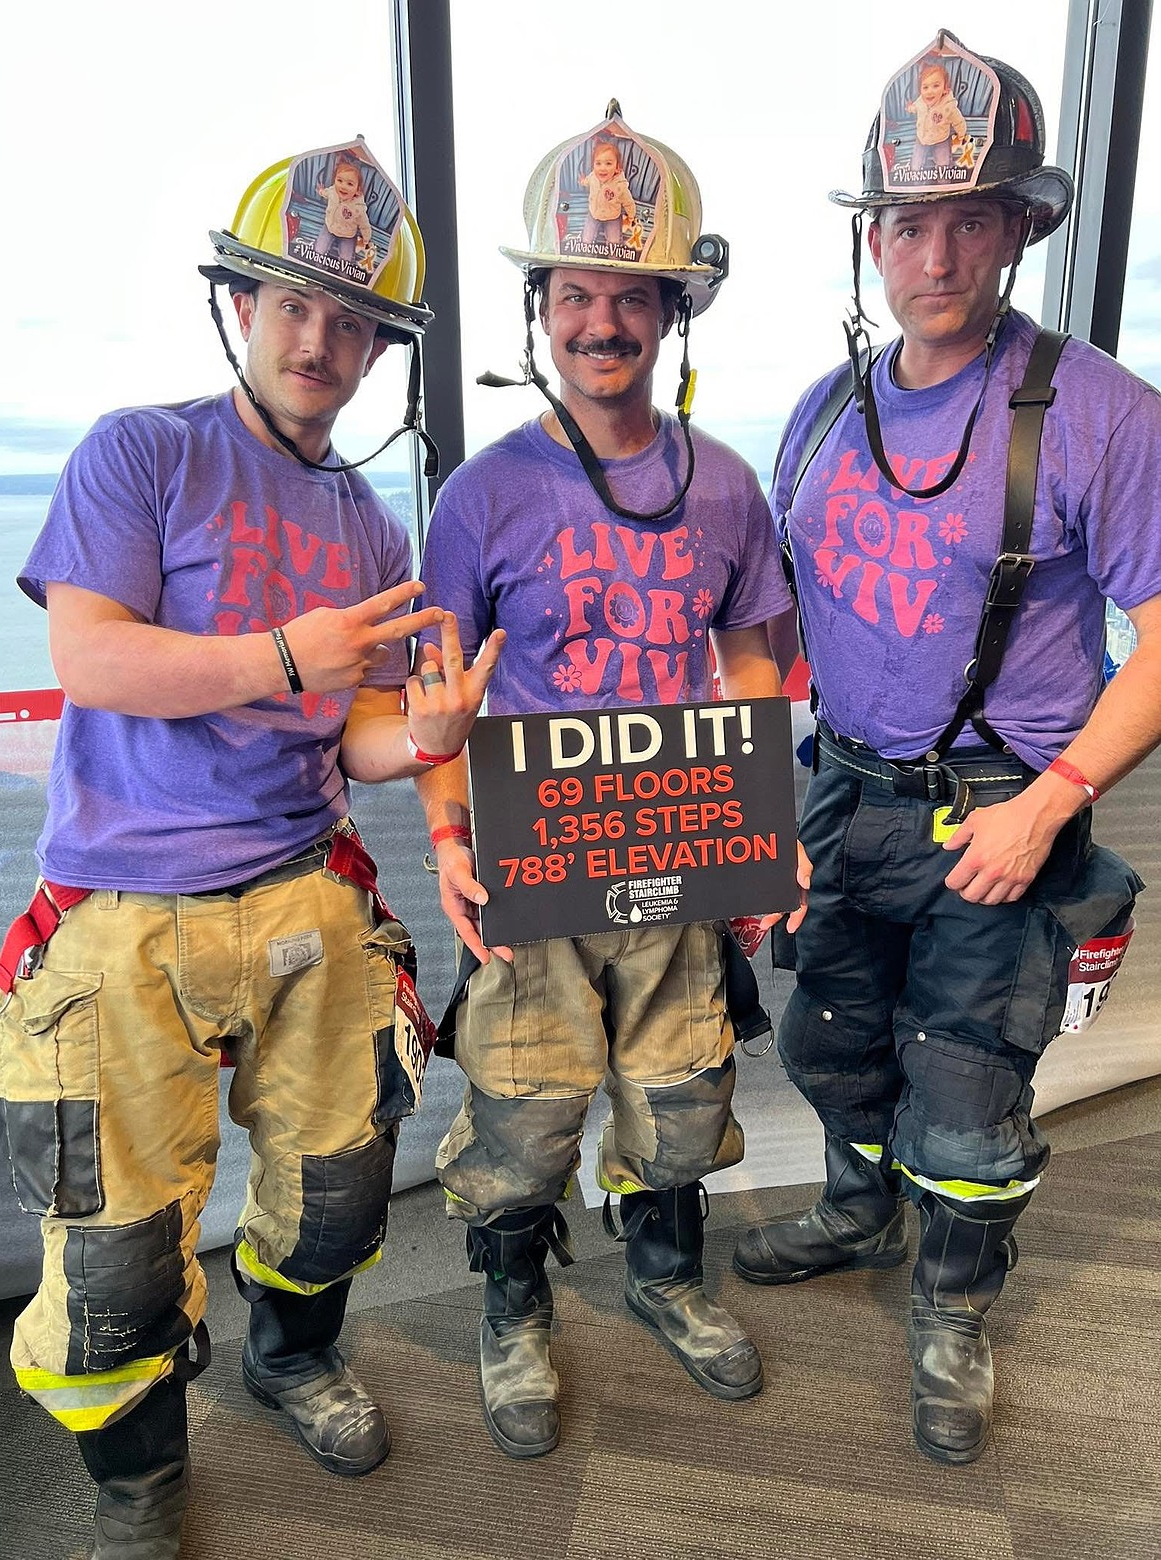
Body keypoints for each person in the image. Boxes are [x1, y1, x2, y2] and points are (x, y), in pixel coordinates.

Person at [0, 139, 500, 1558]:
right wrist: (291, 649)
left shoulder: (359, 519)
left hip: (297, 883)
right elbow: (91, 658)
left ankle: (289, 1356)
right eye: (293, 305)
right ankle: (140, 1480)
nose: (320, 342)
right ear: (238, 304)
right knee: (112, 1251)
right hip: (120, 902)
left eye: (351, 322)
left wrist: (436, 734)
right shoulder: (141, 451)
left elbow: (349, 741)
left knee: (338, 1174)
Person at [733, 29, 1161, 1467]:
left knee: (968, 1090)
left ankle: (953, 1308)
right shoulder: (817, 414)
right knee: (830, 1041)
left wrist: (1050, 805)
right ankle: (858, 1207)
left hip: (999, 808)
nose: (932, 253)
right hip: (842, 790)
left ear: (1016, 230)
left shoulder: (1101, 415)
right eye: (905, 222)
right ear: (873, 242)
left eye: (965, 219)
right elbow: (767, 633)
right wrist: (724, 808)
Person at [415, 100, 806, 1461]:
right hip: (529, 864)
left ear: (669, 313)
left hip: (679, 851)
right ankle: (513, 1303)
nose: (601, 323)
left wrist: (766, 831)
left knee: (680, 1089)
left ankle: (662, 1275)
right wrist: (444, 838)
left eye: (628, 297)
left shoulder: (726, 489)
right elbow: (435, 705)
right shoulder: (477, 496)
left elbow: (752, 669)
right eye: (574, 294)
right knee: (521, 1107)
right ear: (539, 309)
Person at [907, 59, 967, 172]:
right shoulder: (920, 101)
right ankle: (915, 180)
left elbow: (959, 121)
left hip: (941, 139)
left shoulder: (948, 106)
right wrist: (910, 108)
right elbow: (915, 108)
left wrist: (961, 135)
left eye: (936, 86)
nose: (930, 91)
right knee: (915, 163)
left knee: (943, 163)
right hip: (922, 138)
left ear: (945, 89)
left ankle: (944, 183)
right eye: (925, 87)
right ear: (920, 90)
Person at [579, 137, 637, 247]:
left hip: (612, 217)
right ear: (593, 165)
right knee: (586, 239)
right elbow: (587, 181)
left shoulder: (619, 186)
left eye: (608, 163)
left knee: (614, 242)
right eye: (598, 163)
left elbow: (628, 202)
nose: (602, 168)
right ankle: (586, 258)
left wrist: (631, 215)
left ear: (617, 168)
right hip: (594, 213)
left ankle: (614, 260)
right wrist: (582, 181)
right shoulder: (593, 177)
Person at [316, 154, 372, 263]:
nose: (343, 186)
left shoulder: (358, 207)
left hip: (348, 235)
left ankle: (343, 275)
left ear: (358, 190)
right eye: (339, 180)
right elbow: (326, 193)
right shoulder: (333, 191)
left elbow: (364, 225)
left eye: (350, 184)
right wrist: (321, 191)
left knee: (346, 260)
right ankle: (318, 267)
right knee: (318, 250)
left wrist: (366, 238)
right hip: (329, 227)